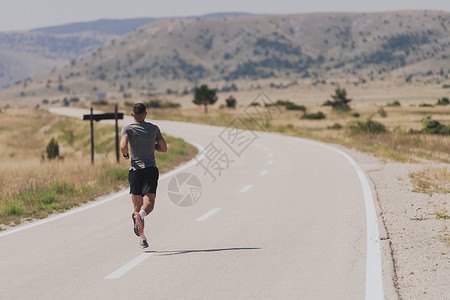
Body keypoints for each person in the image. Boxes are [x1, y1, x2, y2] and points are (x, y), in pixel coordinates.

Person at [120, 102, 167, 248]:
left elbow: (123, 145)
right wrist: (151, 145)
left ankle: (142, 238)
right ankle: (140, 217)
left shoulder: (127, 129)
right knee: (149, 204)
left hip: (135, 171)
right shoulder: (154, 129)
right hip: (150, 170)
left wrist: (126, 154)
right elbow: (164, 148)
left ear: (132, 114)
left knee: (137, 207)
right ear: (145, 114)